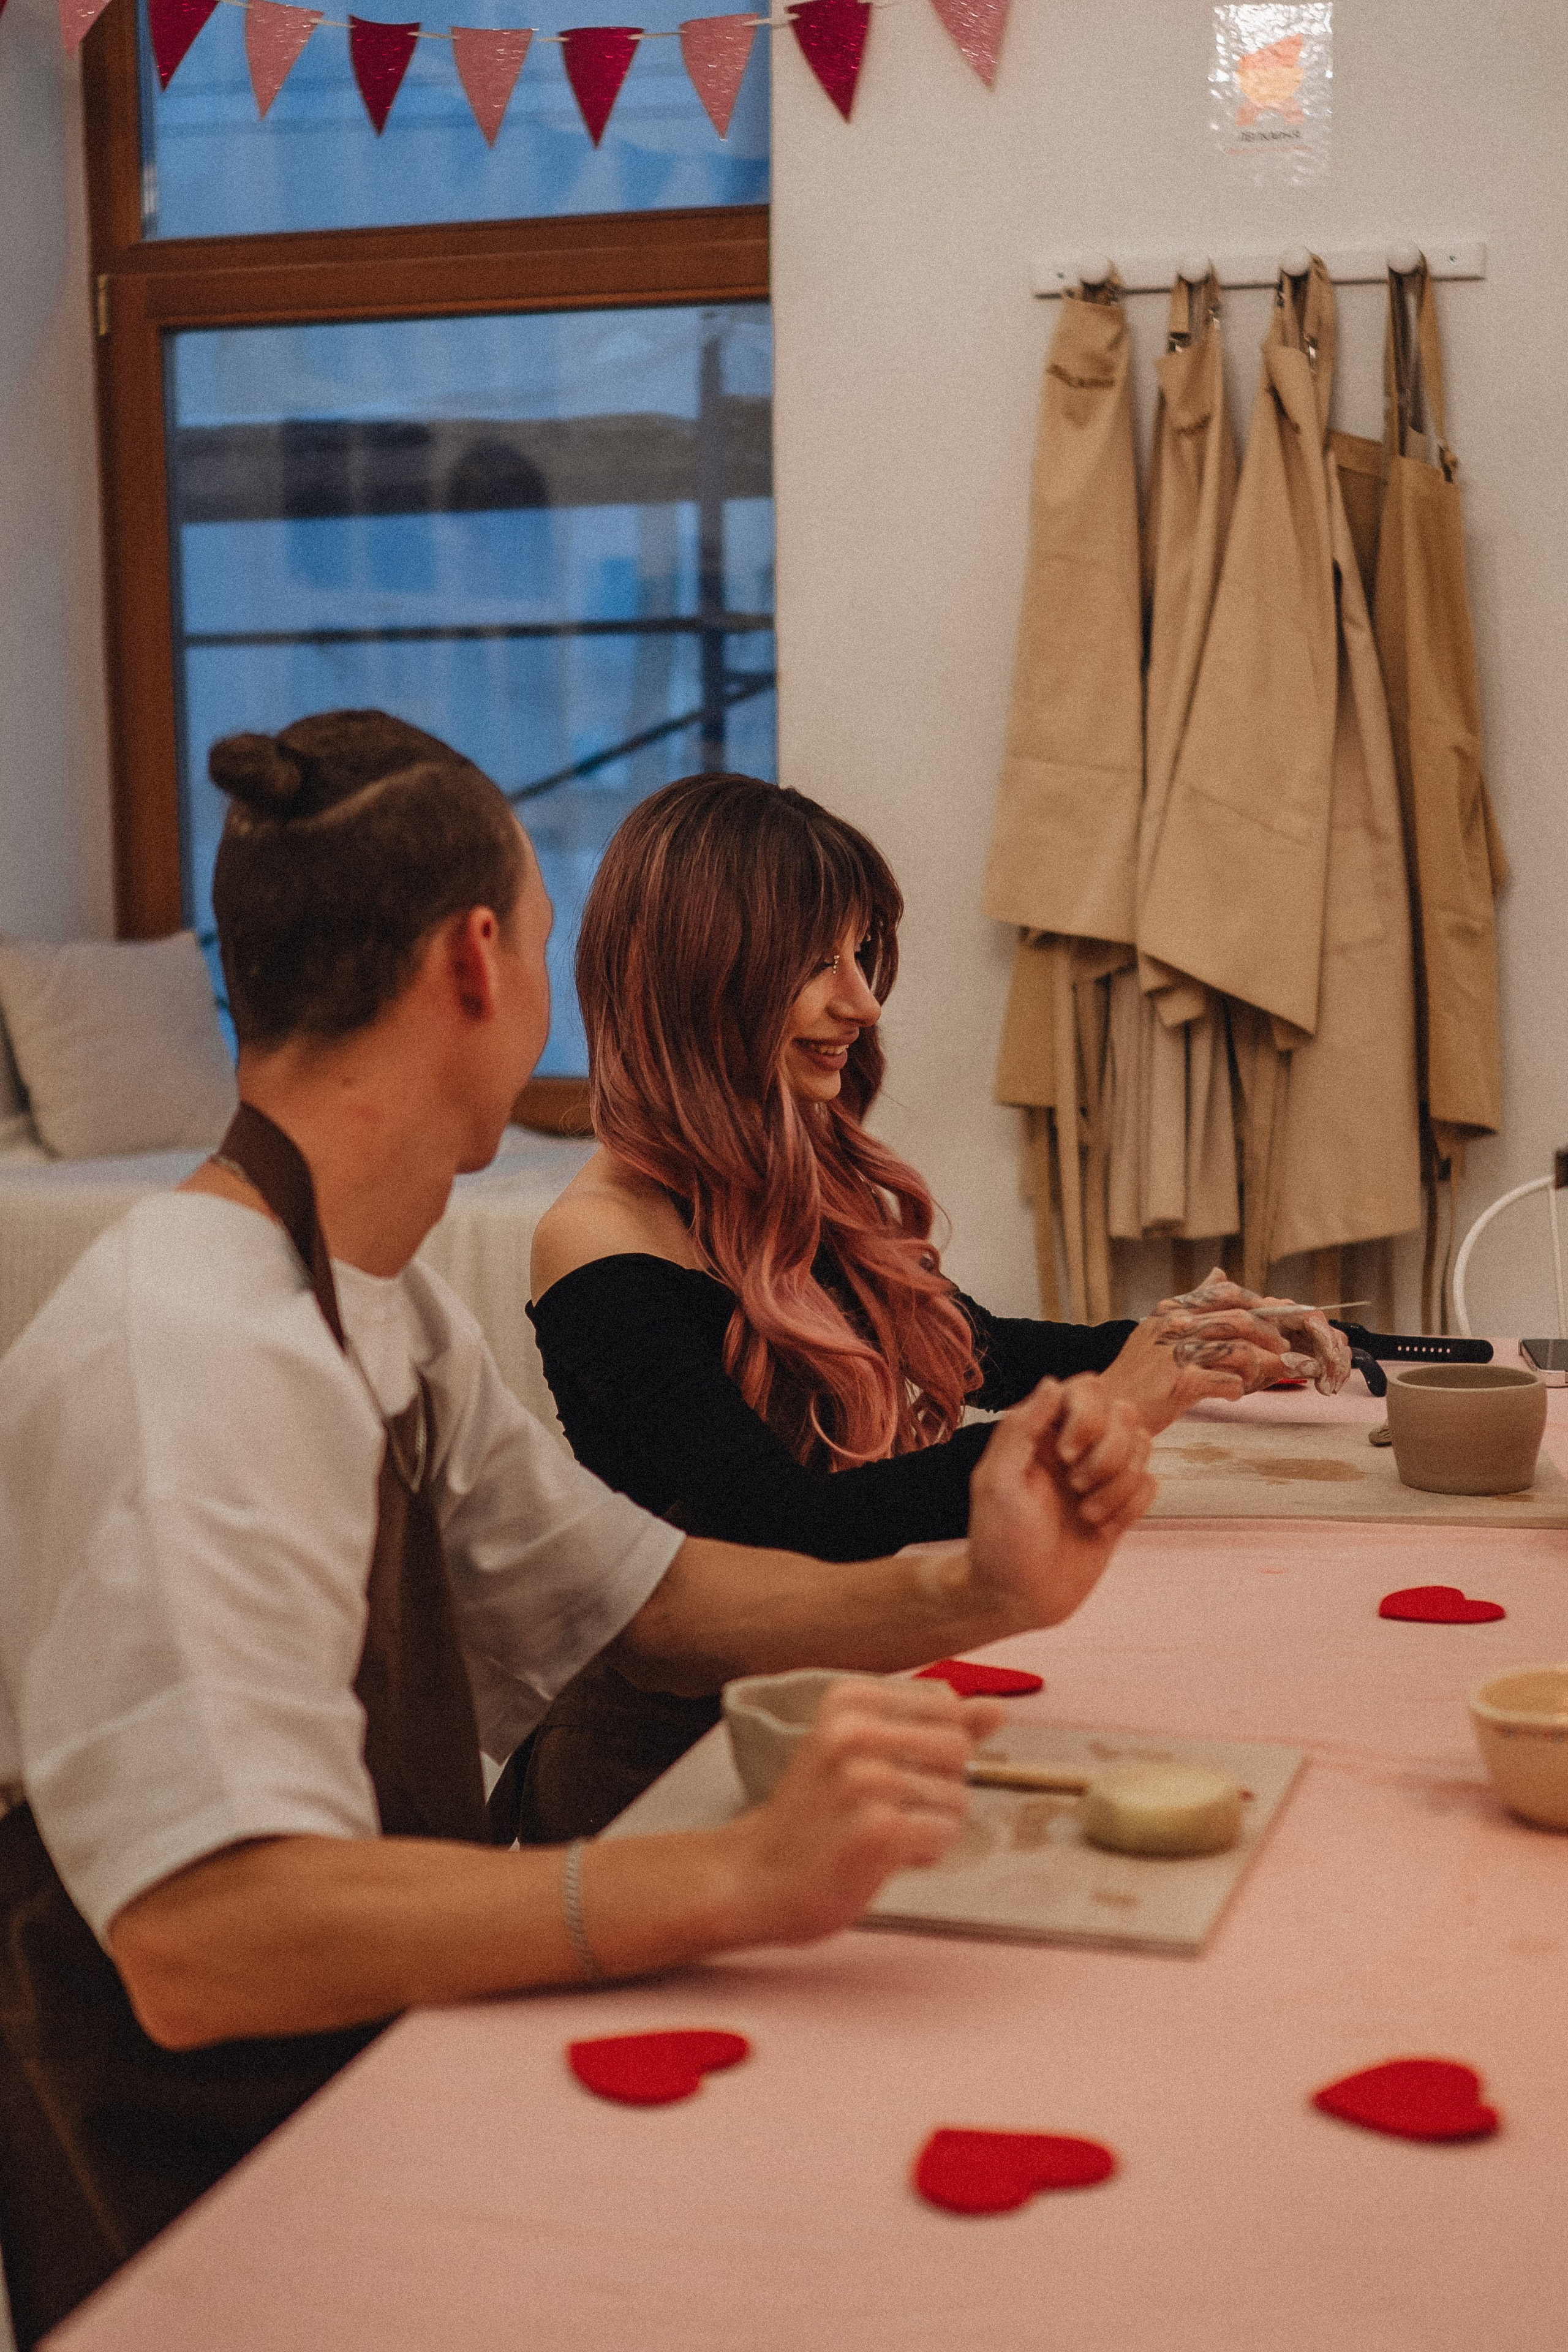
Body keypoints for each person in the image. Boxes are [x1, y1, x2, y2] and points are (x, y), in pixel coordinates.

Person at [0, 713, 1154, 2350]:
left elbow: (650, 1601)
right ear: (480, 962)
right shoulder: (184, 1354)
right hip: (200, 2146)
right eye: (550, 944)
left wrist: (972, 1584)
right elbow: (208, 1940)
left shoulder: (373, 1308)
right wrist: (734, 1877)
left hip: (368, 2056)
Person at [524, 772, 1351, 1834]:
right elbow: (781, 1528)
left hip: (820, 1718)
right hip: (660, 1770)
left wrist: (1185, 1339)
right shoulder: (598, 1237)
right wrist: (1111, 1408)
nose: (862, 1003)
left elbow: (979, 1350)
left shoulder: (788, 1176)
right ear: (699, 979)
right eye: (816, 963)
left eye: (861, 955)